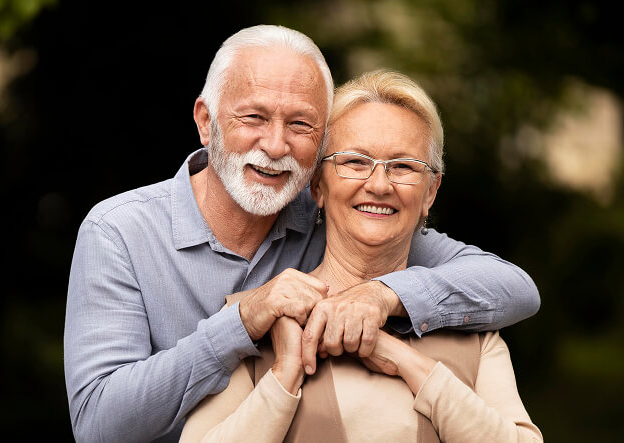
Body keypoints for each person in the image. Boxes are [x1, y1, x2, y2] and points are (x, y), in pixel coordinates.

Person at [65, 25, 540, 442]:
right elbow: (99, 424)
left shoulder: (335, 217)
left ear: (318, 154)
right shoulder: (119, 231)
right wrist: (242, 323)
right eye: (253, 117)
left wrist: (382, 295)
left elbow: (514, 288)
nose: (275, 145)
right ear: (206, 122)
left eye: (301, 124)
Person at [180, 70, 543, 442]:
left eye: (403, 166)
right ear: (318, 185)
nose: (380, 185)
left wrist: (409, 363)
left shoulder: (475, 335)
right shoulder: (256, 318)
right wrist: (285, 372)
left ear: (430, 192)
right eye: (355, 162)